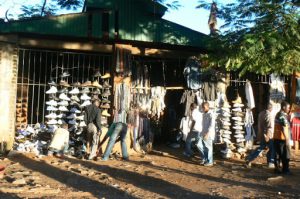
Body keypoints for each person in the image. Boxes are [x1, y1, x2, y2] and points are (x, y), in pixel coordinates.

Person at [245, 103, 275, 168]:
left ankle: (250, 158)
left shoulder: (261, 113)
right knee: (272, 148)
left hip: (261, 134)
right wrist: (267, 136)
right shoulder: (269, 115)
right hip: (268, 135)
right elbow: (269, 127)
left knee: (260, 148)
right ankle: (270, 162)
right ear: (271, 108)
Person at [273, 101, 291, 174]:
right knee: (285, 155)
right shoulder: (281, 115)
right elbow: (284, 127)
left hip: (278, 138)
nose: (289, 109)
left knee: (278, 154)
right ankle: (285, 170)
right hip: (282, 138)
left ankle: (277, 169)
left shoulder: (280, 114)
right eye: (288, 107)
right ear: (284, 107)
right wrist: (287, 139)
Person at [196, 102, 215, 166]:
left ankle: (209, 161)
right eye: (202, 107)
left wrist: (207, 133)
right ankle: (204, 158)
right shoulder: (204, 114)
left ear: (207, 106)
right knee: (198, 144)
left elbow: (212, 125)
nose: (203, 108)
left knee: (208, 147)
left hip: (208, 133)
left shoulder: (211, 114)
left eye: (204, 107)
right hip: (203, 132)